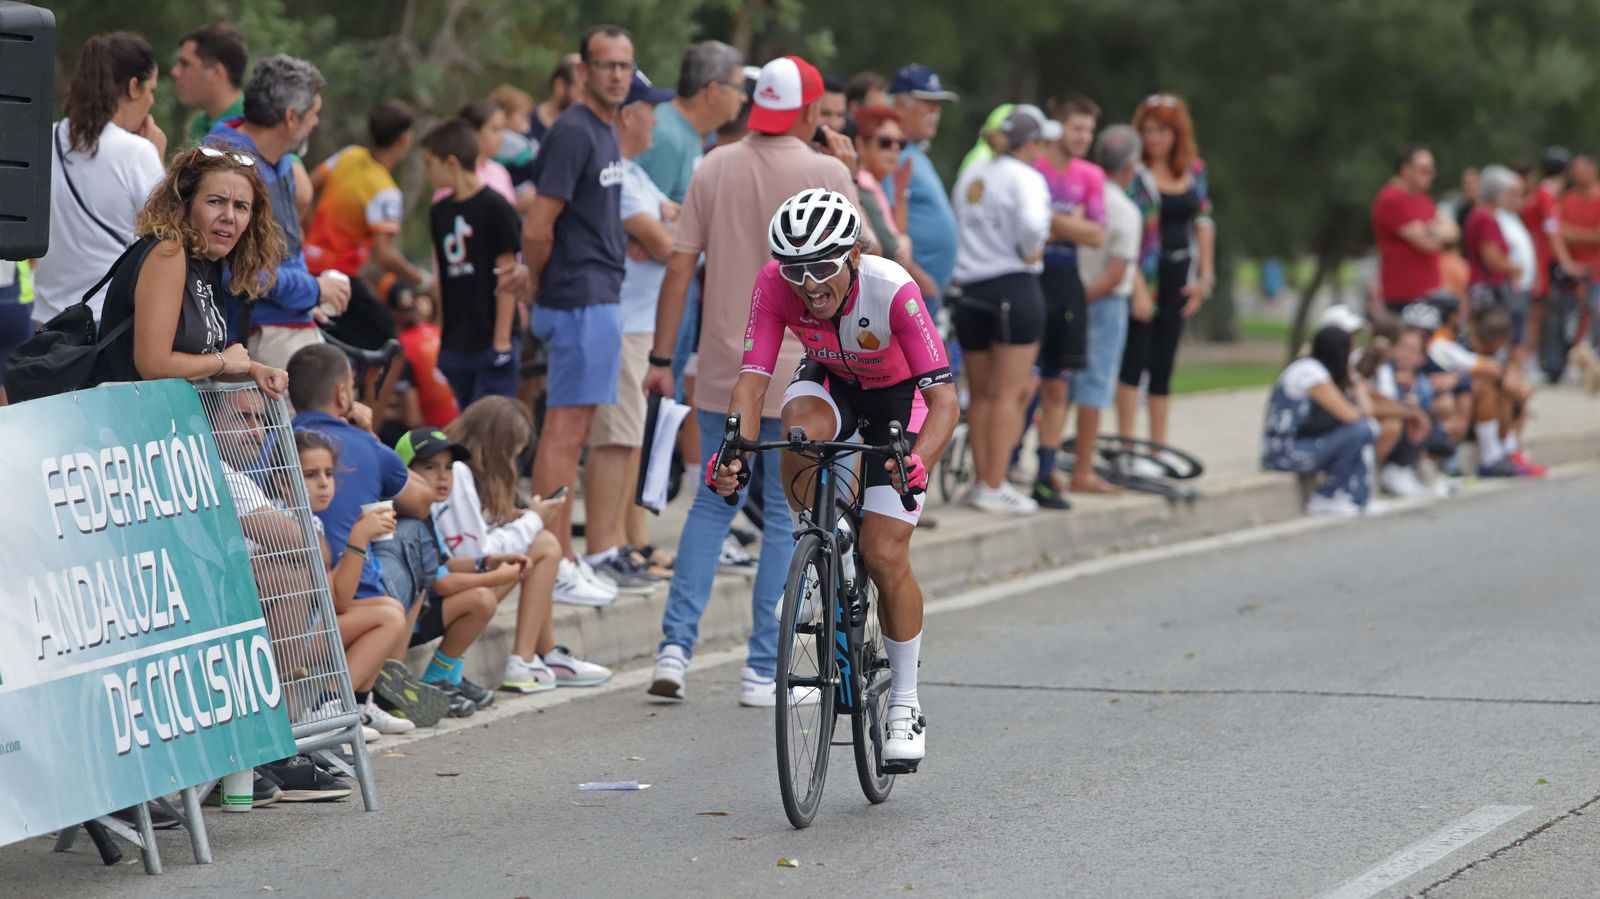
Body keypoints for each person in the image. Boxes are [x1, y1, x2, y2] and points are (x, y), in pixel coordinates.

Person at [639, 54, 865, 707]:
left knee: (713, 503)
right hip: (804, 369)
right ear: (810, 111)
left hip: (724, 365)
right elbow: (861, 263)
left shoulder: (713, 165)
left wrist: (662, 355)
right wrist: (852, 171)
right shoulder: (828, 171)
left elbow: (680, 270)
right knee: (789, 516)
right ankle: (761, 668)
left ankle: (674, 650)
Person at [710, 188, 958, 766]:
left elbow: (945, 401)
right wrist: (734, 452)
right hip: (831, 381)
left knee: (884, 552)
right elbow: (752, 381)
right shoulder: (775, 285)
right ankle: (817, 543)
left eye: (823, 266)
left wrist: (915, 461)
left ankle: (903, 701)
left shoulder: (893, 288)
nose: (808, 283)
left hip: (902, 401)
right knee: (796, 424)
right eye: (795, 268)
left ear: (852, 256)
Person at [522, 24, 633, 606]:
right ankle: (555, 558)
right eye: (605, 64)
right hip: (576, 298)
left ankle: (562, 555)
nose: (616, 74)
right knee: (564, 435)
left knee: (578, 431)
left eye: (624, 65)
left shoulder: (605, 128)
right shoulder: (571, 131)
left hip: (598, 296)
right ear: (583, 71)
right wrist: (538, 286)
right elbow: (539, 225)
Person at [287, 343, 448, 724]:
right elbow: (424, 499)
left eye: (329, 474)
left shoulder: (279, 439)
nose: (326, 482)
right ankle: (345, 702)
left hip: (303, 601)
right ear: (343, 394)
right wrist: (372, 437)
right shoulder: (360, 443)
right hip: (328, 605)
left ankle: (362, 699)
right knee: (413, 535)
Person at [430, 399, 615, 688]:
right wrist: (533, 521)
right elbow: (477, 554)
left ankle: (545, 653)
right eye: (512, 452)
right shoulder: (457, 471)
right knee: (542, 544)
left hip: (452, 580)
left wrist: (509, 523)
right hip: (446, 589)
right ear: (496, 445)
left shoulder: (455, 468)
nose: (513, 462)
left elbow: (467, 542)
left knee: (542, 543)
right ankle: (525, 660)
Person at [92, 147, 288, 398]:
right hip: (123, 423)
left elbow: (197, 359)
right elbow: (153, 365)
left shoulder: (207, 260)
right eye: (215, 201)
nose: (229, 216)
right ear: (185, 204)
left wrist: (253, 370)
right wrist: (223, 361)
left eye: (240, 207)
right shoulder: (169, 253)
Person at [583, 72, 678, 591]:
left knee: (631, 439)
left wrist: (668, 228)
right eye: (649, 109)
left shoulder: (637, 175)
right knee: (614, 438)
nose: (656, 119)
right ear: (627, 115)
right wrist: (663, 232)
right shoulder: (618, 173)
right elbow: (668, 246)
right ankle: (601, 549)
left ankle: (620, 542)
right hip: (623, 323)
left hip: (642, 326)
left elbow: (681, 231)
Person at [206, 54, 352, 369]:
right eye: (313, 113)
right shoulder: (227, 166)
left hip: (286, 319)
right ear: (290, 117)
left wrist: (307, 298)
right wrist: (312, 289)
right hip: (251, 336)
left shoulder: (280, 158)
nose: (315, 122)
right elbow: (237, 271)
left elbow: (286, 249)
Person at [948, 106, 1053, 515]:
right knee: (1010, 394)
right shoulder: (1025, 176)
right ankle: (996, 482)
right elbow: (1032, 225)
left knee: (983, 395)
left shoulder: (973, 173)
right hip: (1013, 282)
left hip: (970, 287)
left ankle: (980, 481)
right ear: (1031, 144)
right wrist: (1032, 250)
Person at [32, 32, 166, 325]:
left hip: (44, 320)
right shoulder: (137, 153)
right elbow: (166, 240)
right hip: (104, 322)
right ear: (133, 87)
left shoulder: (45, 139)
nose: (151, 100)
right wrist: (157, 154)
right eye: (151, 89)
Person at [1116, 92, 1216, 451]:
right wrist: (1138, 286)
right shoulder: (1133, 174)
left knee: (1163, 361)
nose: (1155, 138)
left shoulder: (1193, 170)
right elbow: (1124, 230)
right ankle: (1126, 446)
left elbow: (1203, 220)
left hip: (1179, 274)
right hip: (1144, 275)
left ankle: (1158, 447)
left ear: (1177, 134)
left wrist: (1205, 276)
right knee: (1134, 359)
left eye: (1163, 131)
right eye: (1149, 130)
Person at [1030, 94, 1107, 509]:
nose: (1084, 137)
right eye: (1077, 128)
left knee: (1058, 386)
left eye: (1089, 131)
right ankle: (1006, 466)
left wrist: (1051, 221)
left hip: (1066, 284)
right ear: (1058, 129)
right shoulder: (1035, 166)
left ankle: (1045, 474)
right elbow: (1028, 229)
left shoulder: (1090, 175)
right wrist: (1071, 224)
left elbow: (1097, 235)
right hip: (1031, 279)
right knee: (1025, 384)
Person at [305, 100, 428, 351]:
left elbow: (304, 190)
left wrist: (307, 231)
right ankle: (366, 391)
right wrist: (424, 281)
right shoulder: (385, 190)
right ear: (404, 138)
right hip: (341, 276)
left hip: (309, 265)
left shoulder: (349, 154)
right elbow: (386, 256)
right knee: (389, 341)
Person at [421, 118, 523, 408]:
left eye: (429, 163)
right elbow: (444, 275)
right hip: (457, 340)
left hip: (490, 337)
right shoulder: (439, 211)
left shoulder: (495, 206)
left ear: (450, 163)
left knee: (490, 424)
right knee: (466, 423)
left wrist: (502, 342)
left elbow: (508, 275)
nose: (425, 172)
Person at [1070, 124, 1142, 494]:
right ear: (1131, 166)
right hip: (1104, 304)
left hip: (1068, 293)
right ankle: (1083, 469)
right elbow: (1115, 275)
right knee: (1094, 387)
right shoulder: (1127, 211)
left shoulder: (1077, 194)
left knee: (1055, 383)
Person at [1261, 325, 1379, 517]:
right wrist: (1353, 376)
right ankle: (1327, 495)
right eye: (1348, 350)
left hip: (1300, 445)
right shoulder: (1310, 372)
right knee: (1359, 431)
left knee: (1365, 428)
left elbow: (1367, 411)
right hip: (1284, 452)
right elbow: (1349, 414)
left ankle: (1358, 496)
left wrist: (1353, 377)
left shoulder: (1319, 371)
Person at [886, 64, 961, 322]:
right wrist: (919, 277)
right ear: (899, 103)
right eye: (927, 102)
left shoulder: (914, 152)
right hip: (910, 290)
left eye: (937, 104)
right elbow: (884, 226)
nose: (935, 111)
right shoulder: (890, 154)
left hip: (924, 291)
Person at [635, 40, 745, 205]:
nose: (743, 97)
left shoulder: (698, 132)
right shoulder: (667, 138)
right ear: (713, 91)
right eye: (739, 87)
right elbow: (645, 218)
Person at [852, 107, 937, 296]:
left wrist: (900, 192)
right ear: (861, 145)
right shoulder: (861, 186)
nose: (895, 148)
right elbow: (891, 250)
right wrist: (923, 284)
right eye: (885, 142)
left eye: (901, 143)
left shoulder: (873, 184)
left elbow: (897, 234)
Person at [1371, 145, 1458, 312]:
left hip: (1429, 292)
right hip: (1403, 295)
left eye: (1432, 169)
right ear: (1406, 169)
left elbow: (1454, 232)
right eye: (1424, 169)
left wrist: (1428, 230)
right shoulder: (1391, 199)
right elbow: (1426, 244)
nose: (1431, 174)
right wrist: (1436, 231)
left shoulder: (1423, 198)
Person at [170, 23, 249, 146]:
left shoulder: (257, 126)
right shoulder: (199, 124)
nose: (175, 72)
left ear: (215, 72)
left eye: (185, 64)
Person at [434, 100, 519, 209]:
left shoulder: (500, 171)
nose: (501, 137)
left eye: (502, 129)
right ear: (473, 133)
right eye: (495, 129)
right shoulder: (454, 173)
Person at [528, 54, 581, 153]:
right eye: (580, 91)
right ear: (559, 86)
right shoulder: (524, 122)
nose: (584, 100)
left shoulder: (582, 133)